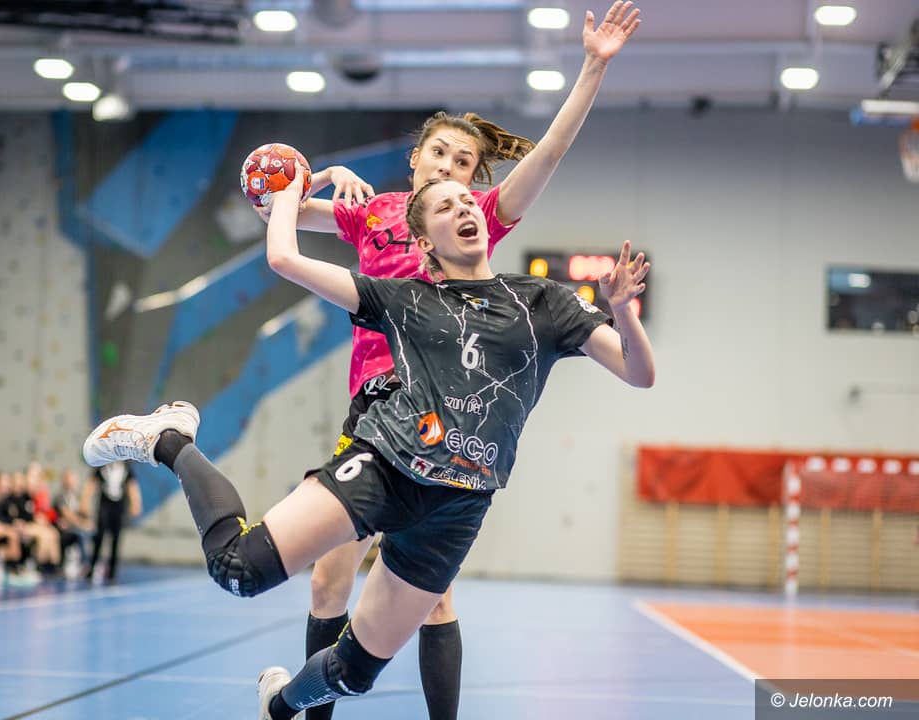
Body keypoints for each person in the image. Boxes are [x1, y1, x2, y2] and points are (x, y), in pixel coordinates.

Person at [82, 166, 654, 719]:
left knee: (354, 673)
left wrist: (623, 312)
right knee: (239, 569)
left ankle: (279, 706)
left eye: (466, 200)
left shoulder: (542, 302)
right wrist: (294, 187)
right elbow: (285, 259)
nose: (463, 208)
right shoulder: (405, 299)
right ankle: (171, 440)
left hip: (459, 506)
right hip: (384, 467)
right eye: (445, 207)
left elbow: (639, 373)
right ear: (425, 242)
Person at [256, 3, 641, 717]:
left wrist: (593, 67)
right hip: (374, 414)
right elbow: (275, 209)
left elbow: (548, 155)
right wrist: (322, 175)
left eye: (465, 164)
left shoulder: (474, 217)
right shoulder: (372, 213)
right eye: (440, 154)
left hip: (443, 418)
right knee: (327, 585)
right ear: (416, 158)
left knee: (435, 602)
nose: (451, 169)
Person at [82, 460, 142, 582]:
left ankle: (112, 573)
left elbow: (132, 486)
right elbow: (92, 483)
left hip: (119, 506)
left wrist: (135, 503)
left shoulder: (126, 468)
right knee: (99, 537)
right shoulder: (102, 466)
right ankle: (92, 568)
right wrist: (85, 501)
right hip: (104, 504)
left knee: (116, 539)